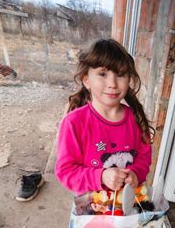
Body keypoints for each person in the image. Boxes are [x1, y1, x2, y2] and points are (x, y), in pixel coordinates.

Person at [55, 38, 154, 198]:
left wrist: (135, 173)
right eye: (102, 74)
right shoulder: (74, 123)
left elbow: (144, 157)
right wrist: (100, 176)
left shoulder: (136, 118)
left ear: (129, 79)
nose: (112, 83)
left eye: (121, 74)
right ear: (86, 80)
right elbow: (66, 172)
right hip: (91, 208)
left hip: (128, 203)